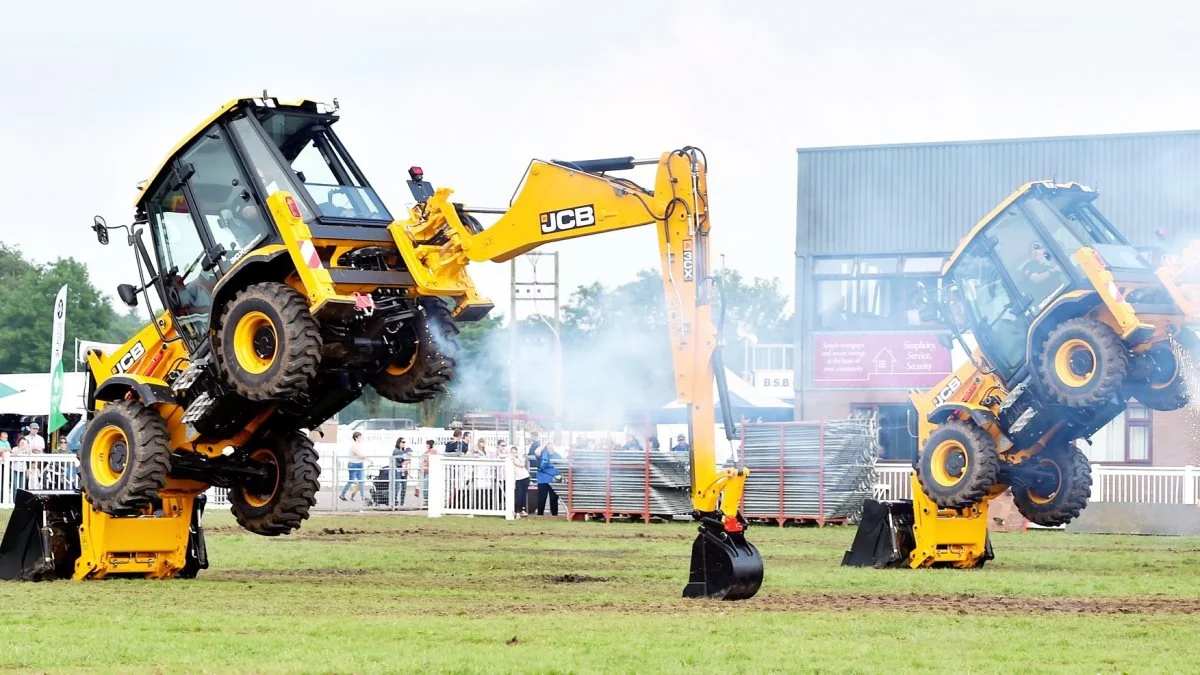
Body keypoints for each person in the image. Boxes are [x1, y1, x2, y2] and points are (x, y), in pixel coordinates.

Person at [535, 443, 562, 516]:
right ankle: (540, 515)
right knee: (542, 498)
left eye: (551, 446)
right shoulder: (542, 455)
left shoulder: (558, 455)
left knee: (554, 499)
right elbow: (536, 452)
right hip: (543, 479)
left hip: (555, 479)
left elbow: (562, 467)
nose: (550, 448)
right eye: (548, 447)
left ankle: (554, 515)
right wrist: (544, 444)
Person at [339, 432, 366, 502]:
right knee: (351, 480)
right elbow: (356, 452)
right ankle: (342, 494)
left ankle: (363, 497)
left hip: (359, 464)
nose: (361, 439)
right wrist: (366, 458)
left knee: (361, 481)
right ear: (356, 438)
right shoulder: (354, 445)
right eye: (360, 437)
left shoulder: (359, 445)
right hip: (353, 464)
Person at [507, 440, 531, 517]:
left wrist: (516, 461)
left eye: (515, 452)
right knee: (518, 495)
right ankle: (517, 511)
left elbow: (522, 465)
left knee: (523, 494)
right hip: (518, 479)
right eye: (512, 452)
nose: (514, 454)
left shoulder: (519, 458)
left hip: (525, 477)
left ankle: (522, 510)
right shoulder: (509, 460)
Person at [392, 437, 412, 507]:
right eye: (402, 442)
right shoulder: (396, 451)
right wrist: (406, 460)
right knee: (397, 486)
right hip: (398, 470)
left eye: (404, 442)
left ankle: (402, 503)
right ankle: (394, 502)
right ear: (399, 443)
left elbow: (408, 458)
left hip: (404, 470)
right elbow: (401, 459)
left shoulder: (404, 451)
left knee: (404, 487)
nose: (404, 444)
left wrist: (406, 460)